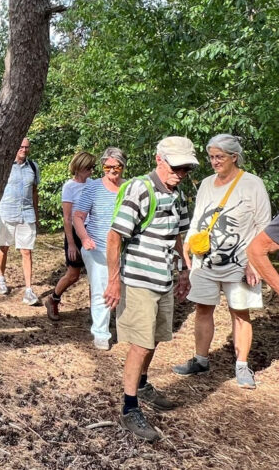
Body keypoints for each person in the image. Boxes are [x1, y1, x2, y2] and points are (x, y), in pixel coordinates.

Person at [105, 136, 196, 442]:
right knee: (141, 344)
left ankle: (142, 385)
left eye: (186, 168)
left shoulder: (177, 194)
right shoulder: (140, 189)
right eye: (176, 167)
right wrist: (114, 280)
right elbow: (115, 236)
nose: (181, 173)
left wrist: (184, 271)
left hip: (164, 279)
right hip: (139, 280)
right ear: (159, 159)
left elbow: (178, 234)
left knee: (155, 338)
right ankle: (129, 408)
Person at [172, 134, 271, 389]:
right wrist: (188, 246)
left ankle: (242, 366)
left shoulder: (252, 184)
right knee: (203, 308)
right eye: (211, 157)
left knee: (240, 312)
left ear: (234, 157)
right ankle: (201, 360)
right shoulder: (206, 183)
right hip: (205, 261)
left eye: (220, 157)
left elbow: (263, 226)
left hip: (240, 262)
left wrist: (254, 262)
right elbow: (198, 218)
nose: (214, 161)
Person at [67, 147, 127, 350]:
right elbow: (77, 217)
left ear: (123, 166)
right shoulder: (92, 188)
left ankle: (125, 328)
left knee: (124, 288)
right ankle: (101, 333)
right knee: (102, 289)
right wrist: (84, 238)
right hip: (97, 247)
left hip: (124, 248)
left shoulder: (129, 188)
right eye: (107, 167)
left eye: (116, 166)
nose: (112, 170)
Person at [44, 151, 96, 321]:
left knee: (94, 274)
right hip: (75, 232)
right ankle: (53, 299)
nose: (91, 171)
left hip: (92, 231)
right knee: (73, 274)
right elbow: (67, 218)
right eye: (88, 168)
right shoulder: (69, 187)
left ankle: (95, 313)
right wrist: (71, 244)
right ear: (79, 168)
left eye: (93, 167)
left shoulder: (94, 184)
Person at [0, 138, 40, 305]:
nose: (24, 150)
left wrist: (36, 213)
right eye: (21, 147)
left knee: (27, 251)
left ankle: (29, 290)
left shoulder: (33, 167)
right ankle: (1, 278)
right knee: (3, 247)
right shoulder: (4, 166)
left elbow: (34, 192)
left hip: (27, 214)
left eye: (26, 147)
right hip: (5, 212)